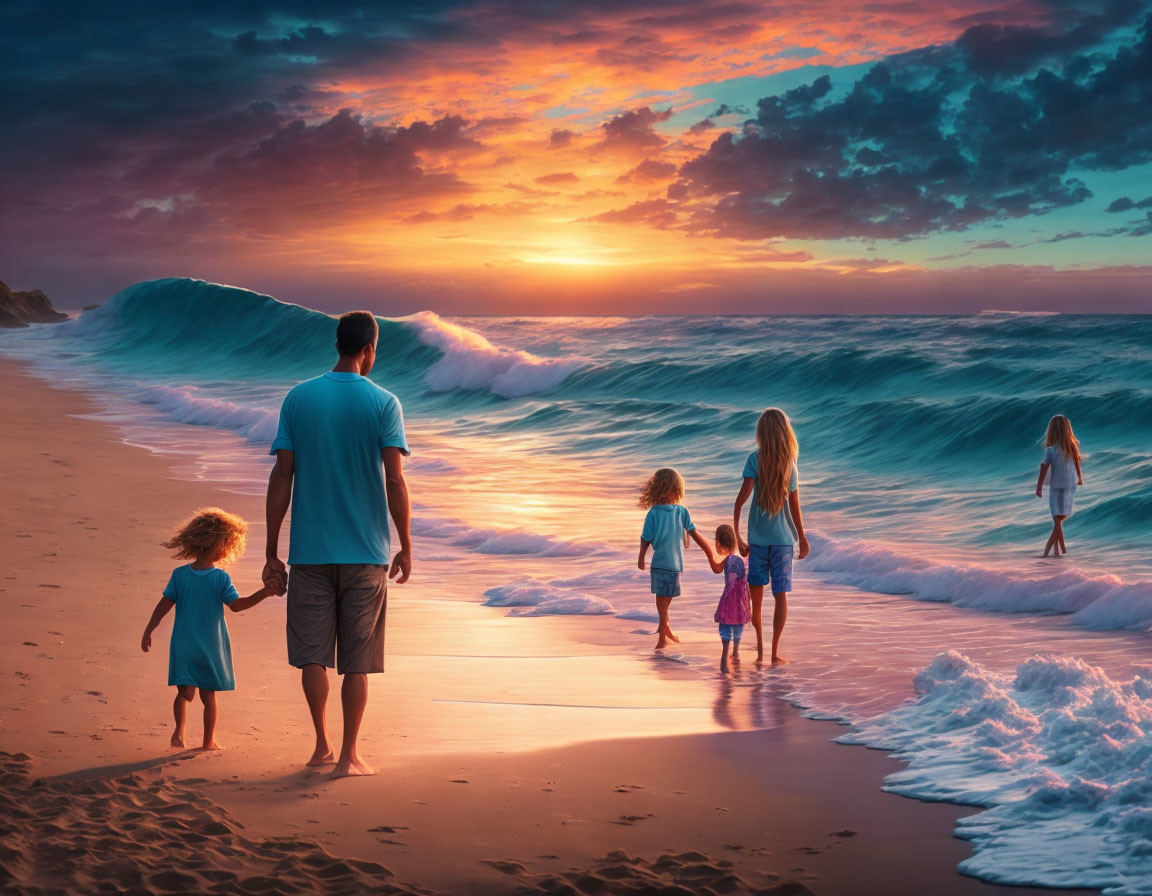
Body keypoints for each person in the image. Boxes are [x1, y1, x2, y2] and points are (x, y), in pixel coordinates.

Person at [264, 311, 412, 779]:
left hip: (308, 550)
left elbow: (282, 476)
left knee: (312, 656)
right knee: (357, 662)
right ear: (369, 349)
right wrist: (406, 544)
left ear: (337, 345)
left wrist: (271, 551)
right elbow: (395, 479)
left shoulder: (298, 398)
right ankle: (349, 756)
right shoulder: (385, 402)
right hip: (366, 553)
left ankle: (321, 745)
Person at [141, 508, 272, 750]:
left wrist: (149, 629)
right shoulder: (220, 577)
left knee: (184, 692)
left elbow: (164, 605)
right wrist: (264, 593)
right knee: (208, 696)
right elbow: (236, 606)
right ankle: (208, 741)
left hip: (184, 643)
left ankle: (178, 733)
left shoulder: (180, 575)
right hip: (210, 645)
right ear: (220, 546)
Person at [732, 408, 809, 666]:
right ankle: (774, 653)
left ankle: (761, 650)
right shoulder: (790, 464)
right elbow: (795, 505)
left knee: (757, 597)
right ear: (785, 432)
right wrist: (802, 536)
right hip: (784, 540)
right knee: (780, 594)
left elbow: (741, 500)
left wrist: (737, 533)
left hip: (758, 539)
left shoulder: (755, 460)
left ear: (762, 433)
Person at [637, 467, 715, 650]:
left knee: (664, 598)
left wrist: (710, 554)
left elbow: (693, 534)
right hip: (668, 564)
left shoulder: (677, 512)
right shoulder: (661, 512)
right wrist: (641, 558)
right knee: (663, 599)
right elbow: (645, 537)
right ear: (676, 489)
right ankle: (662, 637)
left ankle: (664, 627)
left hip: (668, 564)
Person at [1036, 414, 1083, 558]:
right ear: (1067, 429)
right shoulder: (1072, 446)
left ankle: (1053, 551)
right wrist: (1080, 478)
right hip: (1069, 485)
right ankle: (1056, 551)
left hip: (1056, 485)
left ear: (1052, 431)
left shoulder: (1050, 449)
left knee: (1057, 518)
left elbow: (1044, 467)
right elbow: (1077, 463)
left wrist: (1038, 487)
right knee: (1059, 517)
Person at [709, 525, 750, 674]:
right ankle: (736, 651)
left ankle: (724, 657)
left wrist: (723, 602)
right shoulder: (742, 559)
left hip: (730, 597)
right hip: (742, 599)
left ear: (719, 542)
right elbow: (744, 581)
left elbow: (730, 583)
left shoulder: (729, 561)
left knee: (725, 627)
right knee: (738, 626)